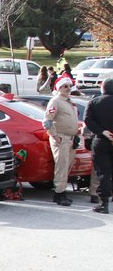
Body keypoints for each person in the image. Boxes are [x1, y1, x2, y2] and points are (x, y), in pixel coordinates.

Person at [44, 77, 80, 206]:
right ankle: (59, 193)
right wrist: (54, 135)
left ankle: (62, 191)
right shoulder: (56, 101)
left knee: (67, 166)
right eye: (65, 86)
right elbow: (47, 120)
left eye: (69, 86)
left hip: (70, 138)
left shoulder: (70, 102)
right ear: (58, 88)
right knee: (62, 166)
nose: (68, 88)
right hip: (61, 138)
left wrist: (76, 134)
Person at [85, 79, 113, 214]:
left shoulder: (94, 102)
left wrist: (102, 131)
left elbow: (87, 120)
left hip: (101, 140)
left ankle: (104, 203)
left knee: (103, 173)